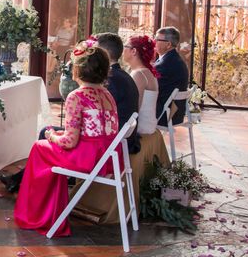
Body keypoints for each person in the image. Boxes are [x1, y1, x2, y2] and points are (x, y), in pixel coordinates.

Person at [14, 39, 121, 237]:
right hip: (106, 157)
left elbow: (70, 142)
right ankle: (50, 213)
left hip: (87, 159)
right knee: (46, 150)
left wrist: (52, 135)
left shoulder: (76, 96)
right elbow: (92, 132)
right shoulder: (107, 95)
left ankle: (38, 215)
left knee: (39, 147)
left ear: (77, 70)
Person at [95, 32, 141, 154]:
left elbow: (99, 116)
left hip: (115, 143)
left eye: (95, 51)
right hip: (124, 137)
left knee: (45, 132)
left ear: (104, 53)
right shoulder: (124, 76)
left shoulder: (110, 79)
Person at [123, 35, 160, 136]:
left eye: (125, 46)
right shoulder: (145, 71)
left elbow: (134, 107)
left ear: (133, 51)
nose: (123, 50)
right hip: (149, 125)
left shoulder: (139, 74)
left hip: (141, 127)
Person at [154, 26, 189, 126]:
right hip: (176, 114)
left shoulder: (166, 64)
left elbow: (152, 89)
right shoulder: (173, 59)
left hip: (165, 115)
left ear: (168, 44)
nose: (154, 41)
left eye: (157, 39)